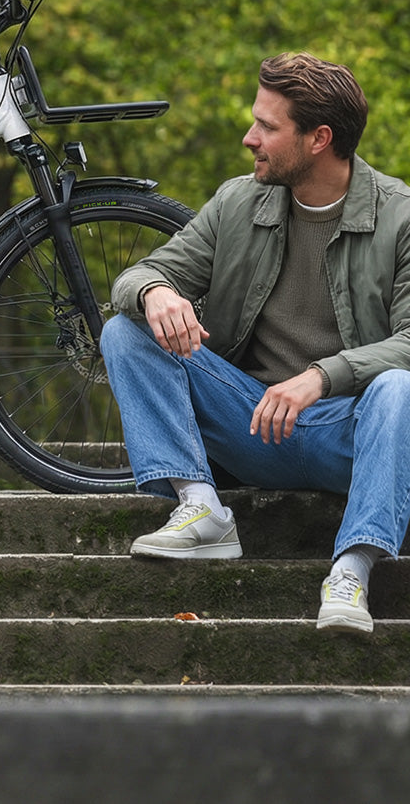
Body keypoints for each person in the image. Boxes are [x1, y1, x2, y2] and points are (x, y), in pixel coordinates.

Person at [101, 52, 410, 634]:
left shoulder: (401, 217)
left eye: (268, 126)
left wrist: (323, 374)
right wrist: (155, 292)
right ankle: (202, 507)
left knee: (399, 386)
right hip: (249, 422)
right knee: (126, 328)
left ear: (319, 138)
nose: (250, 138)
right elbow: (137, 276)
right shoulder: (237, 203)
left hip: (354, 433)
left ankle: (351, 570)